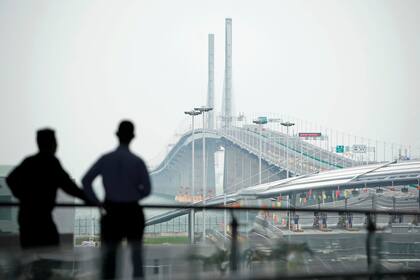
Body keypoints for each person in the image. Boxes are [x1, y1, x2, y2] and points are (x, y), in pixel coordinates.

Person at [82, 120, 151, 279]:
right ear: (133, 136)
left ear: (117, 135)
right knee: (136, 257)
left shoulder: (106, 159)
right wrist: (134, 195)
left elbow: (86, 180)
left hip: (111, 212)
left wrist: (97, 202)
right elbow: (147, 190)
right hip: (133, 212)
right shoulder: (137, 161)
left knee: (109, 259)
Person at [6, 128, 88, 249]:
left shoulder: (29, 161)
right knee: (50, 250)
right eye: (55, 141)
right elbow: (69, 186)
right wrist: (88, 198)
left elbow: (10, 179)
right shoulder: (51, 162)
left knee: (30, 253)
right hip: (41, 217)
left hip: (26, 216)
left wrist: (22, 196)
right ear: (51, 143)